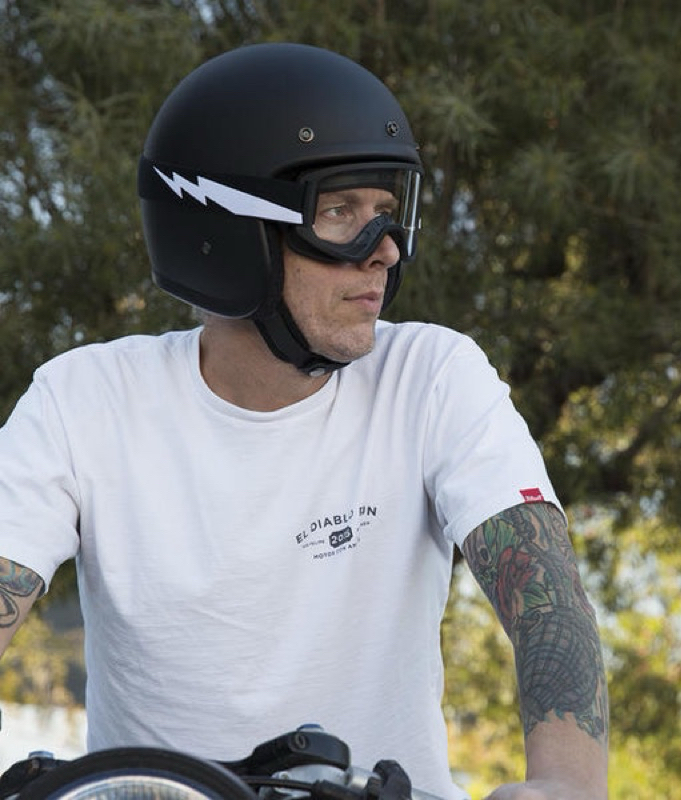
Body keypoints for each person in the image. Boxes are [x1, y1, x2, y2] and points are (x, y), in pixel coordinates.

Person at [0, 43, 608, 800]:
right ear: (225, 231)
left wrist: (563, 784)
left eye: (386, 214)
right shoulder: (83, 401)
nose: (384, 252)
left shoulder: (432, 377)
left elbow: (546, 600)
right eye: (340, 213)